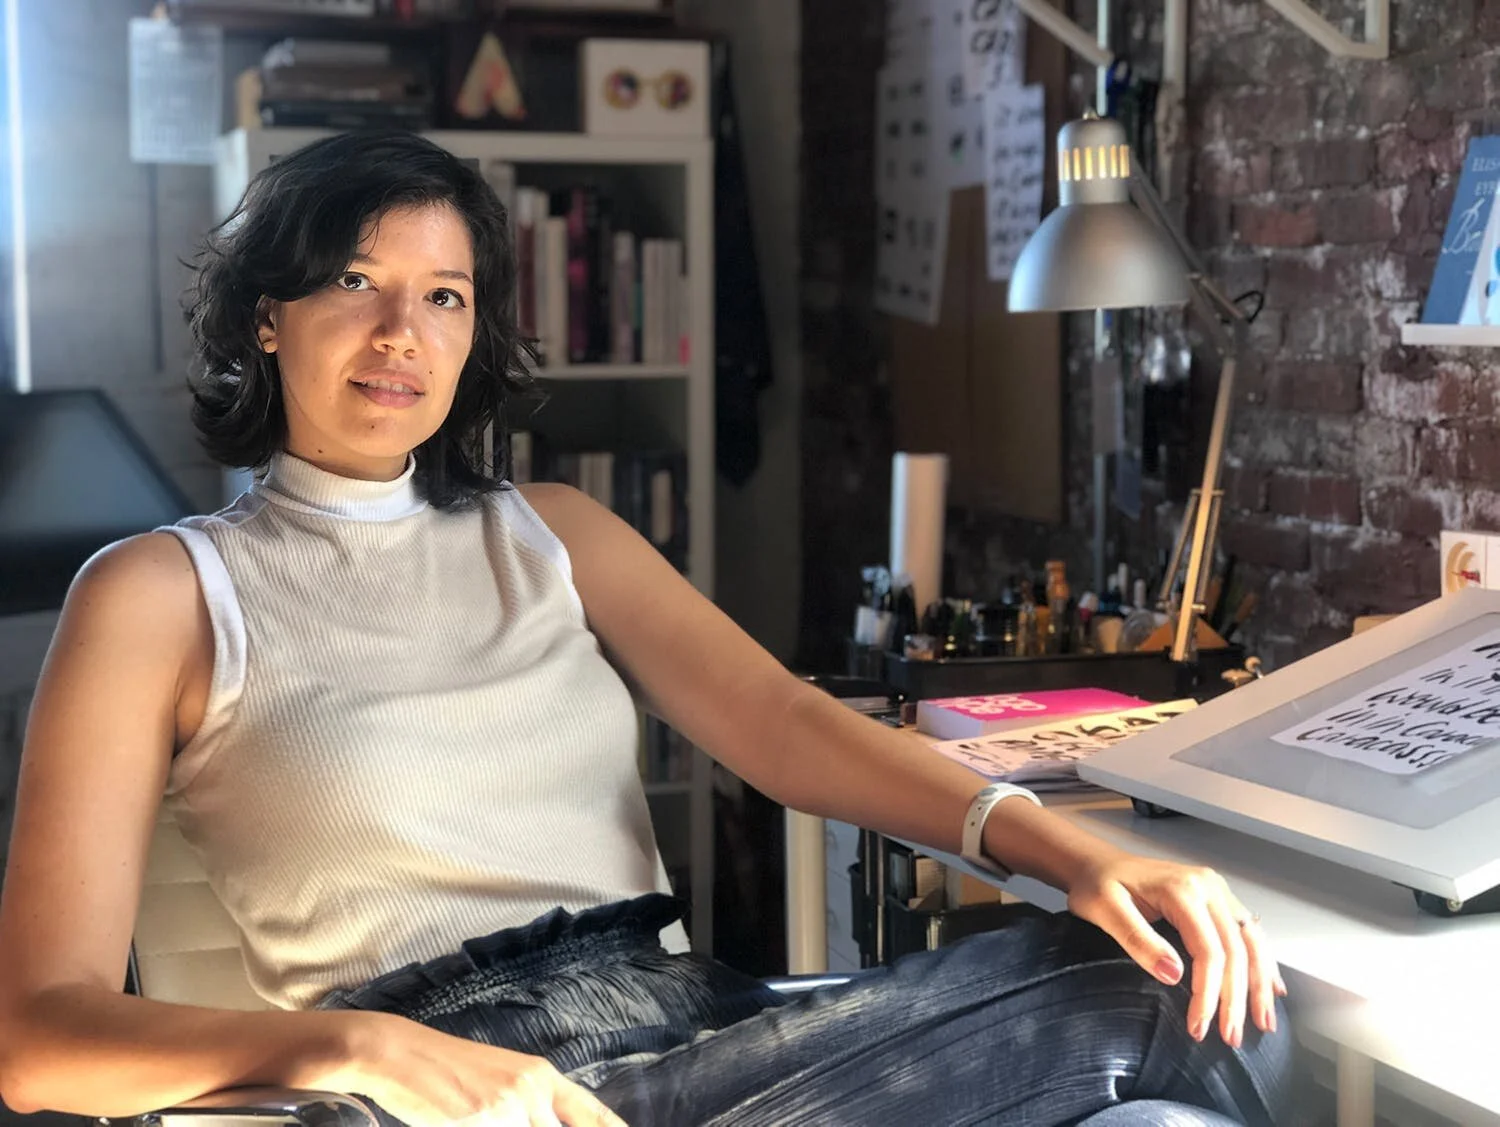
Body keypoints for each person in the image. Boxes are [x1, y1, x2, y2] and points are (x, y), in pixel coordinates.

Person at [0, 131, 1294, 1127]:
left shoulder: (552, 532)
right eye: (355, 281)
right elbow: (39, 1036)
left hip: (702, 1033)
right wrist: (352, 1046)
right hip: (468, 1087)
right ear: (265, 314)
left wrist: (1068, 850)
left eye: (445, 295)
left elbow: (781, 725)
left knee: (1177, 1001)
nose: (403, 334)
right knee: (1153, 1003)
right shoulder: (162, 592)